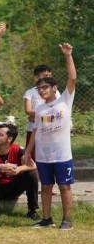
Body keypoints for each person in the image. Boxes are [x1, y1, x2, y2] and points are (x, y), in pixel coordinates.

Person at [26, 43, 76, 230]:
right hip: (44, 155)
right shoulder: (39, 109)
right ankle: (47, 219)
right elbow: (36, 130)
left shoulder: (64, 100)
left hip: (62, 154)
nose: (41, 91)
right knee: (46, 187)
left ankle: (67, 220)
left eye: (45, 87)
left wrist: (68, 55)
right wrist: (28, 152)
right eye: (39, 88)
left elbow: (72, 78)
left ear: (54, 87)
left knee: (64, 187)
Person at [0, 123, 39, 220]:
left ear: (9, 139)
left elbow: (32, 165)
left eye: (0, 135)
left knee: (31, 173)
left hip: (13, 188)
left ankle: (32, 211)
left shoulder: (18, 149)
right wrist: (1, 166)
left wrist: (18, 169)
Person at [23, 65, 58, 149]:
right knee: (33, 154)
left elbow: (57, 110)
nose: (48, 78)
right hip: (33, 127)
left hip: (50, 127)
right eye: (45, 76)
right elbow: (28, 110)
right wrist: (47, 112)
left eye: (49, 75)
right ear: (36, 77)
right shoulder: (30, 92)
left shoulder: (55, 91)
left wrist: (38, 115)